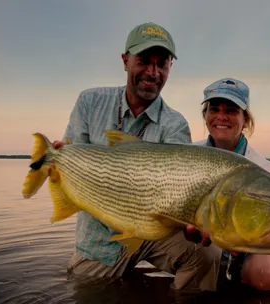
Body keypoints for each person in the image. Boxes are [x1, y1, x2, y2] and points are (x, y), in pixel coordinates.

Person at [54, 22, 221, 291]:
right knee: (86, 292)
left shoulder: (176, 125)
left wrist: (194, 219)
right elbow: (72, 159)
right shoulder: (90, 102)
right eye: (143, 60)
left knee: (207, 254)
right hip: (99, 239)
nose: (152, 72)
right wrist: (60, 162)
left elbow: (180, 191)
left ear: (170, 67)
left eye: (161, 63)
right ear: (125, 60)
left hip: (153, 231)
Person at [190, 77, 270, 291]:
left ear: (245, 119)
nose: (221, 117)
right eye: (214, 109)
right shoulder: (189, 155)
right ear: (206, 115)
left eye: (231, 110)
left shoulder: (263, 169)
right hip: (215, 249)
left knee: (266, 274)